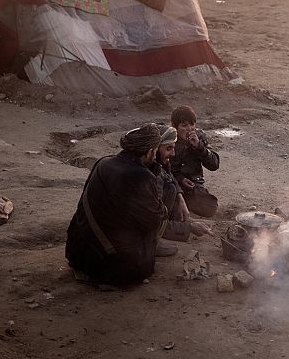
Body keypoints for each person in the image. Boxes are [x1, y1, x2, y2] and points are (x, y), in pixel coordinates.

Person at [65, 124, 169, 286]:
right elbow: (154, 218)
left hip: (77, 254)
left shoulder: (103, 162)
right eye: (155, 151)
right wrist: (156, 178)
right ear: (150, 152)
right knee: (161, 214)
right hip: (112, 267)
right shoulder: (141, 175)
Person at [155, 124, 211, 256]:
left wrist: (180, 199)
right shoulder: (146, 177)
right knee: (143, 266)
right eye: (169, 148)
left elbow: (168, 175)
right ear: (154, 149)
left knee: (172, 188)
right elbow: (151, 221)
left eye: (192, 125)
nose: (173, 153)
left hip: (191, 186)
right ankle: (153, 242)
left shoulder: (156, 162)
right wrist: (189, 227)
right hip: (122, 238)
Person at [170, 106, 221, 217]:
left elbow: (214, 165)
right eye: (184, 125)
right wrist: (180, 179)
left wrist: (199, 147)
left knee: (210, 207)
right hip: (172, 182)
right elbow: (161, 167)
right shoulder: (169, 139)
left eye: (192, 124)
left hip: (193, 183)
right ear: (175, 126)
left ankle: (184, 202)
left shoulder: (199, 137)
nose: (190, 129)